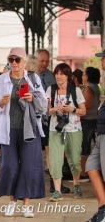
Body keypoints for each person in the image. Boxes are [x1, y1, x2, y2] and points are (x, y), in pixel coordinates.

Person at [0, 47, 47, 218]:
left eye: (17, 60)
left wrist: (32, 98)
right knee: (9, 167)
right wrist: (0, 102)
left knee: (29, 167)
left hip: (29, 129)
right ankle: (12, 202)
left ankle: (26, 204)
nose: (14, 63)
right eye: (11, 59)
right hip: (9, 130)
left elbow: (43, 105)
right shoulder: (2, 80)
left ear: (25, 62)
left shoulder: (33, 78)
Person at [46, 63, 86, 202]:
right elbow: (46, 110)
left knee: (74, 160)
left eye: (61, 74)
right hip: (55, 129)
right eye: (56, 73)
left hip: (73, 129)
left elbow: (83, 111)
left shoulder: (75, 91)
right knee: (55, 160)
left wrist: (71, 109)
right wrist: (55, 109)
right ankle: (57, 191)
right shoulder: (50, 90)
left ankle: (76, 185)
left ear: (68, 76)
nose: (58, 76)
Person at [35, 49, 70, 193]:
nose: (44, 64)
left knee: (51, 151)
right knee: (32, 151)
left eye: (46, 61)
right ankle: (33, 182)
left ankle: (53, 181)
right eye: (41, 60)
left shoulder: (52, 76)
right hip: (31, 118)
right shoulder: (28, 75)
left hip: (48, 118)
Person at [84, 49, 105, 222]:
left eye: (103, 58)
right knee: (91, 166)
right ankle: (103, 211)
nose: (102, 61)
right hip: (101, 132)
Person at [80, 67, 101, 181]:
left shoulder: (89, 89)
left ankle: (83, 172)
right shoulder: (94, 87)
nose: (82, 76)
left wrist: (78, 115)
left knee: (84, 147)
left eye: (84, 74)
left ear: (88, 76)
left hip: (87, 120)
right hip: (92, 119)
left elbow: (86, 107)